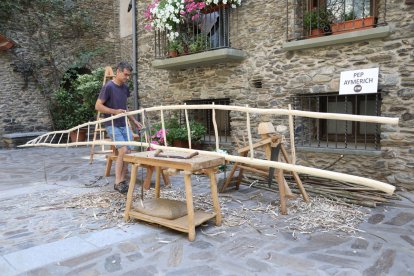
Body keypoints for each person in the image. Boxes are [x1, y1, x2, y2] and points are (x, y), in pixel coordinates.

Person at [95, 61, 141, 194]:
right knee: (123, 150)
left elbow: (125, 107)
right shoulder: (108, 87)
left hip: (123, 123)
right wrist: (114, 111)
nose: (127, 77)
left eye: (129, 75)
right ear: (118, 72)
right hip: (112, 124)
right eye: (126, 74)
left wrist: (134, 121)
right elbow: (98, 106)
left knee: (129, 151)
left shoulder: (125, 88)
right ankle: (118, 182)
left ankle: (122, 179)